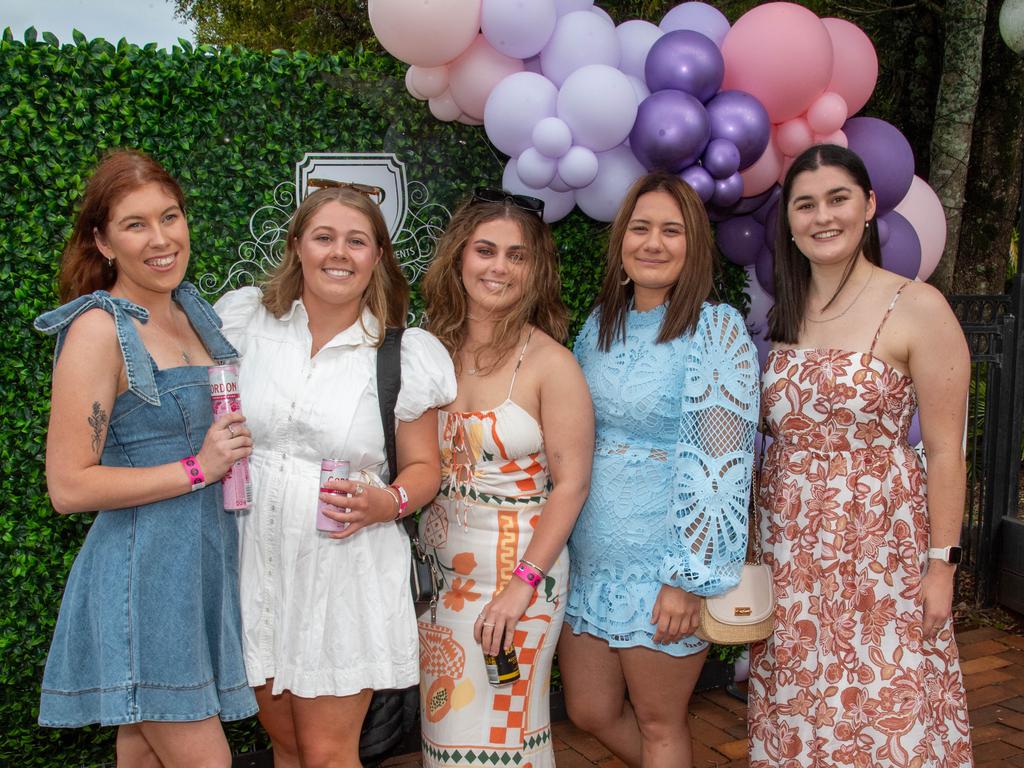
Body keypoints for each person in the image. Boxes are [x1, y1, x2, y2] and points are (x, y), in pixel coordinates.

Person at [212, 185, 455, 768]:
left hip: (343, 571)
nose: (338, 253)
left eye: (356, 241)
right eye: (323, 237)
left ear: (377, 257)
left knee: (326, 753)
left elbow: (426, 468)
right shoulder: (246, 324)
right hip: (255, 563)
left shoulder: (401, 352)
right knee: (288, 746)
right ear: (297, 246)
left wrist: (386, 502)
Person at [747, 144, 973, 766]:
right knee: (799, 706)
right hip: (790, 552)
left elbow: (947, 452)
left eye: (838, 198)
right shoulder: (787, 314)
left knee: (882, 705)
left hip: (881, 554)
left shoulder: (919, 307)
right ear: (789, 223)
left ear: (870, 206)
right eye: (805, 204)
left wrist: (942, 566)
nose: (823, 216)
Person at [34, 149, 257, 767]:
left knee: (145, 757)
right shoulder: (98, 330)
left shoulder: (193, 311)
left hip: (202, 569)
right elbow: (68, 486)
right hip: (145, 578)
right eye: (135, 225)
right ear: (103, 242)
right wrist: (198, 468)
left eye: (171, 216)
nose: (160, 240)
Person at [559, 172, 760, 768]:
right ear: (621, 239)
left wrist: (687, 579)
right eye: (640, 227)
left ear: (694, 245)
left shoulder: (716, 328)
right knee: (589, 711)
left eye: (671, 230)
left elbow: (723, 467)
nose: (653, 242)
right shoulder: (600, 324)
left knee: (659, 721)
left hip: (663, 568)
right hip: (592, 559)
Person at [417, 189, 594, 768]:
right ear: (459, 257)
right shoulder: (430, 350)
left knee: (504, 743)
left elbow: (572, 486)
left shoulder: (551, 364)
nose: (498, 267)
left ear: (536, 270)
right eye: (485, 250)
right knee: (446, 738)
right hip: (441, 583)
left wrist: (522, 586)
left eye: (516, 256)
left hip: (521, 580)